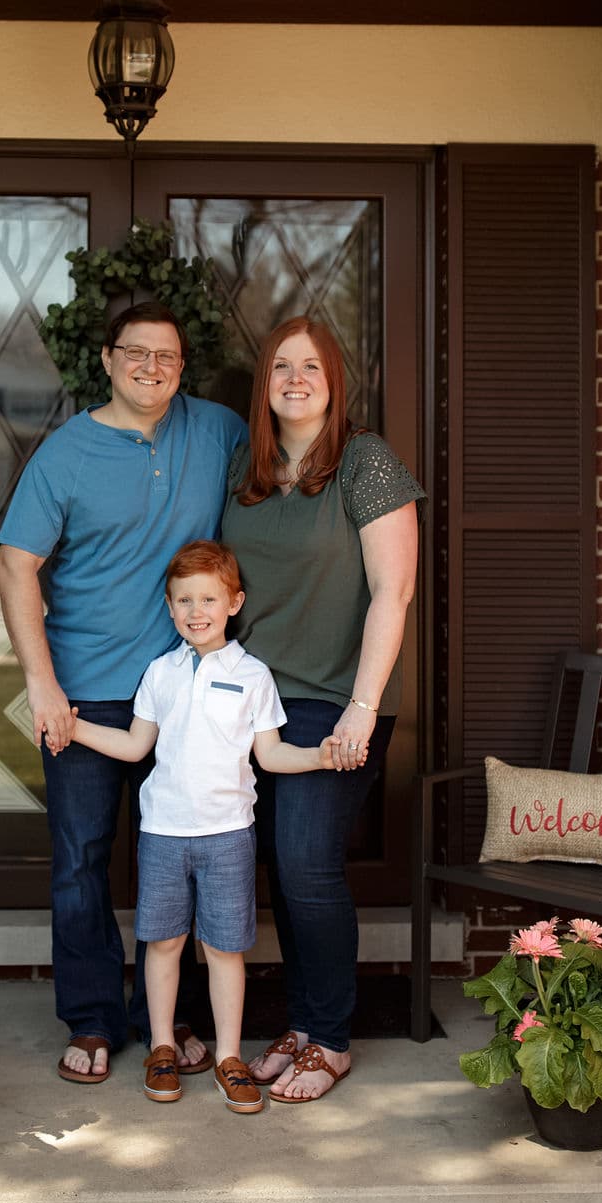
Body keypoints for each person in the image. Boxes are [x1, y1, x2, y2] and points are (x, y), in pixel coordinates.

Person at [0, 302, 247, 1084]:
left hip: (187, 691)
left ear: (183, 365)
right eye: (134, 353)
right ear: (106, 360)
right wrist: (42, 686)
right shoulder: (65, 455)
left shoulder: (217, 431)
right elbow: (15, 566)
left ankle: (169, 1023)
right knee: (82, 858)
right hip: (87, 694)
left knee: (183, 854)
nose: (150, 367)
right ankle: (97, 1018)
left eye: (166, 356)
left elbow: (284, 480)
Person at [57, 540, 339, 1112]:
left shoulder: (254, 675)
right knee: (163, 943)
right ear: (168, 607)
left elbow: (272, 756)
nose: (195, 610)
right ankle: (162, 1048)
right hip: (162, 833)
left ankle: (229, 1056)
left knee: (225, 948)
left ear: (234, 602)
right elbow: (136, 746)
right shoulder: (159, 672)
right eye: (183, 600)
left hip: (229, 834)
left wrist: (322, 756)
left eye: (208, 598)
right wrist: (73, 725)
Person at [221, 316, 425, 1103]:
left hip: (336, 699)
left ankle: (332, 1037)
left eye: (311, 367)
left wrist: (362, 709)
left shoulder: (364, 461)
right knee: (280, 866)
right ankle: (303, 1026)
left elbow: (393, 591)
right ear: (263, 383)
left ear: (335, 380)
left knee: (306, 862)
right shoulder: (249, 464)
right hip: (254, 701)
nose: (295, 380)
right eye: (280, 367)